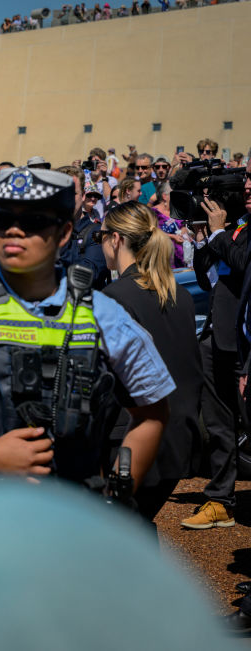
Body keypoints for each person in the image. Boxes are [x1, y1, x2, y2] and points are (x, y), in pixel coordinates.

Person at [0, 167, 174, 492]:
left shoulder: (105, 317)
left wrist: (117, 497)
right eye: (2, 219)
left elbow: (153, 412)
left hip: (66, 529)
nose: (14, 231)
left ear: (65, 233)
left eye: (33, 222)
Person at [98, 201, 202, 525]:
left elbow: (108, 384)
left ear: (115, 239)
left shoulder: (114, 297)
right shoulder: (179, 294)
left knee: (118, 532)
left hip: (131, 440)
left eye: (100, 236)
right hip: (178, 436)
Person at [187, 162, 251, 528]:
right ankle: (219, 500)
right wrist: (202, 238)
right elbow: (207, 278)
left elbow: (242, 262)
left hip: (243, 344)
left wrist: (217, 235)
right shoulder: (223, 232)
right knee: (219, 422)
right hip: (216, 336)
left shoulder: (243, 231)